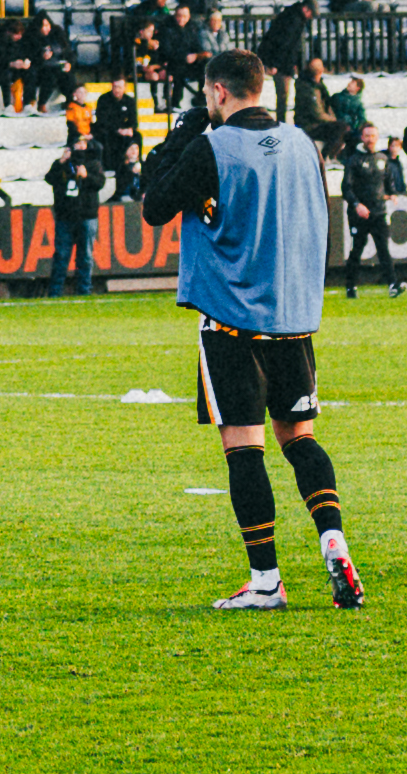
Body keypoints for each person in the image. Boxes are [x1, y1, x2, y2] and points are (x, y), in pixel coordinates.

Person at [136, 49, 359, 611]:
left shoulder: (211, 146)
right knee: (300, 437)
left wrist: (177, 139)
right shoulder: (302, 144)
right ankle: (333, 539)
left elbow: (155, 205)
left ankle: (266, 579)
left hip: (231, 314)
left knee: (244, 446)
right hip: (292, 314)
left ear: (216, 92)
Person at [336, 126, 398, 299]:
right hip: (359, 213)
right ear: (362, 138)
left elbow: (388, 181)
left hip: (378, 211)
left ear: (377, 137)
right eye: (367, 136)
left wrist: (391, 194)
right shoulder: (354, 160)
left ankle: (393, 284)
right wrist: (357, 204)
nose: (370, 139)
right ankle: (350, 286)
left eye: (373, 136)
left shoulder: (382, 158)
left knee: (383, 248)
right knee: (357, 248)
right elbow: (346, 188)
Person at [49, 137, 108, 297]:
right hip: (65, 216)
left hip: (87, 215)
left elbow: (100, 183)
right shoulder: (61, 164)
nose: (80, 147)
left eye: (83, 143)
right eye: (77, 144)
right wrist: (61, 162)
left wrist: (86, 176)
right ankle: (55, 291)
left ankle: (84, 290)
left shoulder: (93, 163)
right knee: (61, 256)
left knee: (86, 256)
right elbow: (50, 179)